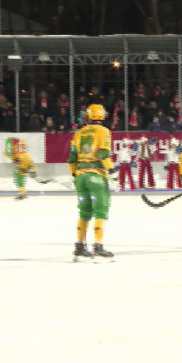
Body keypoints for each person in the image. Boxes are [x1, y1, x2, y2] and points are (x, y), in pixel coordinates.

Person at [68, 104, 116, 261]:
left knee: (84, 212)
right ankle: (98, 245)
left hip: (81, 175)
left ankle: (79, 246)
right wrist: (111, 171)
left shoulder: (78, 133)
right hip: (96, 174)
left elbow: (71, 158)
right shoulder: (103, 131)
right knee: (100, 210)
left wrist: (74, 175)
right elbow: (103, 153)